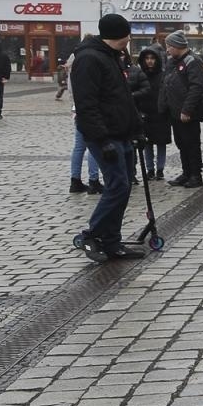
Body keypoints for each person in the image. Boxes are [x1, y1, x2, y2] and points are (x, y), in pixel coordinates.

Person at [70, 14, 146, 260]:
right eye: (126, 35)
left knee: (123, 187)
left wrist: (137, 129)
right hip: (105, 136)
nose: (129, 39)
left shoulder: (112, 56)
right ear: (117, 35)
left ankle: (111, 241)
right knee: (118, 186)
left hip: (121, 133)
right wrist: (102, 140)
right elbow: (87, 104)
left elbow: (124, 98)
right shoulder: (89, 59)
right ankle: (92, 234)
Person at [162, 32, 203, 187]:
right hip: (175, 111)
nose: (167, 50)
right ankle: (186, 173)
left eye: (169, 46)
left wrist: (187, 110)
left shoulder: (192, 61)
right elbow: (166, 84)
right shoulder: (172, 62)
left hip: (188, 113)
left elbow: (196, 88)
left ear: (177, 46)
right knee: (181, 143)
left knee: (192, 144)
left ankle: (195, 175)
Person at [56, 48, 103, 193]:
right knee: (93, 144)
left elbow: (72, 92)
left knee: (79, 146)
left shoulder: (73, 68)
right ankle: (93, 180)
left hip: (77, 108)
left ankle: (75, 180)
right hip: (89, 109)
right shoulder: (86, 67)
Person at [128, 47, 169, 182]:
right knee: (147, 143)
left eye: (152, 58)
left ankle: (160, 169)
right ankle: (150, 169)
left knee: (161, 143)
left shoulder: (163, 75)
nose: (150, 61)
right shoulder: (140, 75)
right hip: (144, 113)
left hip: (160, 113)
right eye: (147, 58)